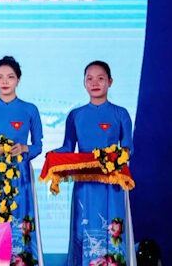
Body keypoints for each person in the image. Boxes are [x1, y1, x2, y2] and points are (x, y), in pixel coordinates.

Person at [55, 61, 134, 266]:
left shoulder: (120, 114)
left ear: (110, 81)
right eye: (89, 78)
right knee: (84, 229)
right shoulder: (75, 115)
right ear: (84, 83)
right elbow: (68, 147)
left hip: (112, 186)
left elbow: (128, 148)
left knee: (113, 232)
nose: (94, 83)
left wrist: (115, 157)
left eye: (100, 78)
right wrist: (52, 157)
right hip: (85, 186)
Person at [0, 56, 44, 265]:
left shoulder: (29, 110)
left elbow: (38, 145)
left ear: (18, 80)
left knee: (21, 219)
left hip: (20, 176)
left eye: (10, 77)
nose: (5, 81)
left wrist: (24, 148)